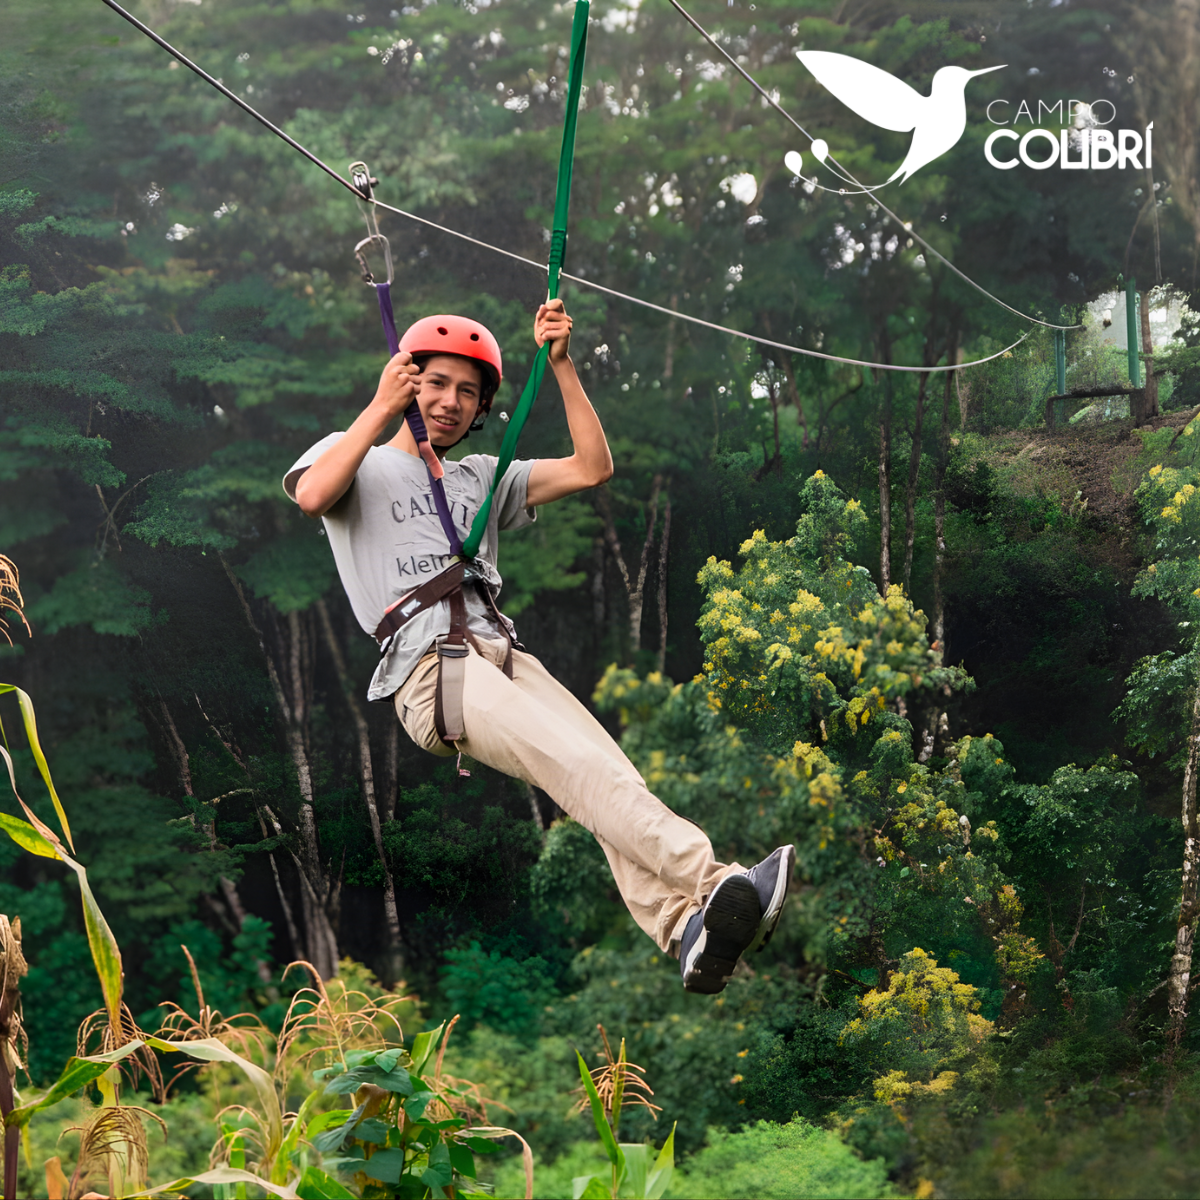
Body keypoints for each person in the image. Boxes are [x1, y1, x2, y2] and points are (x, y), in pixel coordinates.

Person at [283, 297, 794, 994]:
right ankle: (719, 882)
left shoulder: (481, 478)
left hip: (504, 656)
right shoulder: (356, 460)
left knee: (611, 777)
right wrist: (379, 405)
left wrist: (562, 366)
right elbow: (313, 496)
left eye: (468, 393)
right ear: (408, 380)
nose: (450, 403)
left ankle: (685, 929)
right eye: (436, 384)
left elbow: (592, 467)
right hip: (433, 671)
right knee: (580, 768)